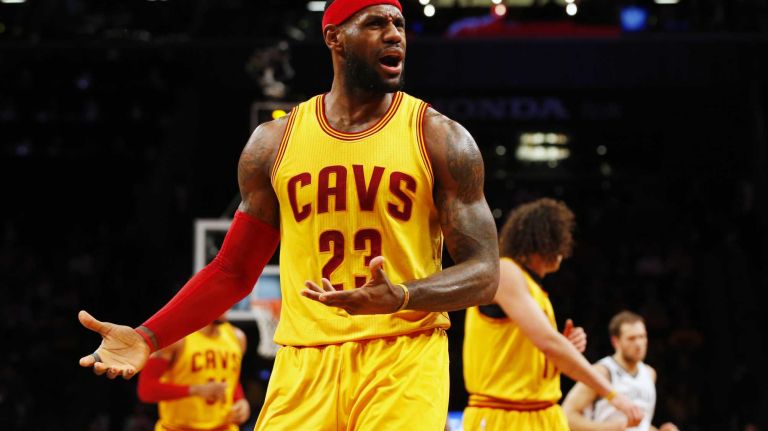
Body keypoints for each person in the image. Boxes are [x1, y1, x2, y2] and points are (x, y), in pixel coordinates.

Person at [78, 1, 500, 430]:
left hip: (403, 354)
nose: (394, 35)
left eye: (399, 24)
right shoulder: (273, 143)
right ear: (334, 37)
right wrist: (148, 336)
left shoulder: (439, 137)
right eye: (376, 23)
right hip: (303, 359)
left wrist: (403, 295)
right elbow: (233, 270)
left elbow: (485, 274)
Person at [462, 198, 644, 431]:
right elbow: (549, 342)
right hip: (503, 415)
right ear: (545, 239)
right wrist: (612, 394)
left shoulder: (536, 290)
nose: (564, 250)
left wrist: (563, 350)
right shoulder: (505, 271)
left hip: (544, 413)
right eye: (561, 238)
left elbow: (540, 352)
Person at [562, 311, 680, 431]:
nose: (638, 344)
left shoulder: (650, 374)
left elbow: (638, 426)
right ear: (616, 341)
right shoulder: (602, 371)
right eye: (631, 338)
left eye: (642, 336)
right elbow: (566, 416)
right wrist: (611, 428)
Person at [136, 315, 250, 431]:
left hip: (224, 427)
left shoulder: (237, 336)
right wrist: (194, 390)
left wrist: (240, 399)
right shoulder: (177, 338)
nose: (227, 308)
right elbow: (146, 389)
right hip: (177, 428)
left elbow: (231, 377)